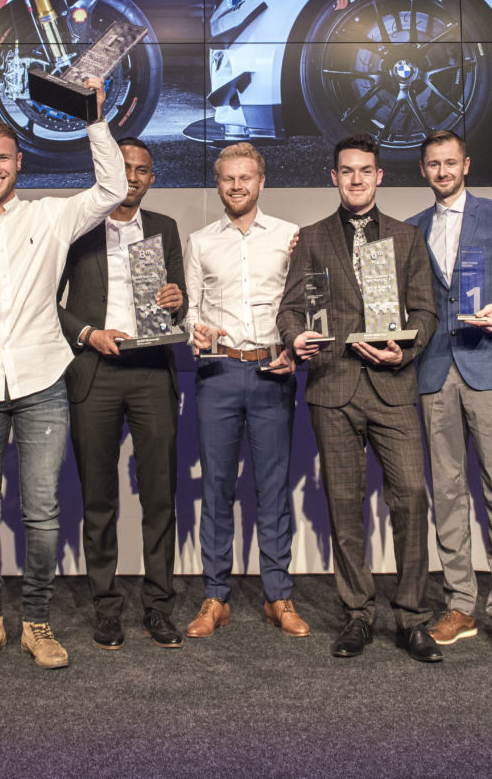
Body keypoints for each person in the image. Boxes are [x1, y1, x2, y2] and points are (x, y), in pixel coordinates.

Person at [0, 79, 126, 670]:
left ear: (18, 162)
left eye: (2, 157)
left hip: (41, 387)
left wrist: (94, 118)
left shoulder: (52, 218)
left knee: (42, 513)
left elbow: (111, 186)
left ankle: (36, 622)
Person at [278, 134, 440, 663]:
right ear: (333, 177)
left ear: (379, 177)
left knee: (411, 497)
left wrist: (405, 348)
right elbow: (289, 309)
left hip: (392, 388)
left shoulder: (407, 237)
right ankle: (357, 614)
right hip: (333, 386)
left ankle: (412, 617)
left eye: (365, 171)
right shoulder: (313, 238)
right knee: (344, 506)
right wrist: (293, 336)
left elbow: (426, 313)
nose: (355, 179)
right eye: (346, 171)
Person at [405, 130, 492, 655]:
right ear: (423, 170)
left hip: (491, 367)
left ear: (467, 164)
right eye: (433, 164)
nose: (442, 171)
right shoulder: (412, 229)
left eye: (450, 162)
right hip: (435, 372)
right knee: (446, 494)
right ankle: (461, 602)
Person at [57, 137, 187, 651]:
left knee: (160, 497)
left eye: (142, 170)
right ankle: (106, 608)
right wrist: (89, 333)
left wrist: (176, 300)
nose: (132, 177)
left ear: (152, 178)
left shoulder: (165, 229)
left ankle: (158, 607)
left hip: (153, 369)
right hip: (94, 370)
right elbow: (49, 303)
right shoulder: (79, 230)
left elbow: (179, 301)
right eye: (124, 168)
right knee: (99, 499)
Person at [182, 143, 308, 641]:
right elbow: (189, 308)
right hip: (217, 376)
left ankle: (279, 595)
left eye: (246, 178)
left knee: (273, 490)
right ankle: (216, 596)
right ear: (218, 184)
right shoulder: (199, 242)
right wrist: (195, 328)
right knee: (216, 490)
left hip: (272, 373)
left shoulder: (289, 237)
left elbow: (298, 304)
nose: (237, 186)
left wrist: (295, 349)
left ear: (261, 182)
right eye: (228, 179)